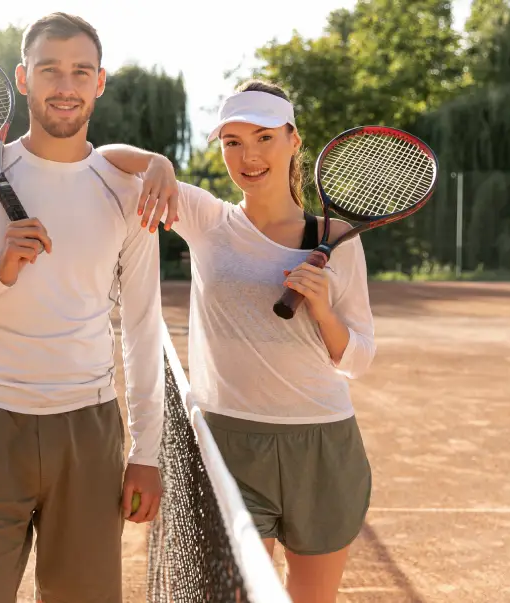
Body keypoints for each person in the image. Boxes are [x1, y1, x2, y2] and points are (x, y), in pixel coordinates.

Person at [0, 12, 165, 603]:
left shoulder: (128, 191)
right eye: (50, 70)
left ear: (100, 82)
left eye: (80, 71)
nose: (65, 86)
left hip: (89, 430)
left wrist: (147, 452)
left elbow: (144, 327)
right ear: (24, 79)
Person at [99, 79, 376, 603]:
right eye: (232, 142)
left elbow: (358, 357)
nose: (248, 155)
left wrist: (321, 309)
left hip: (323, 446)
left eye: (264, 137)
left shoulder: (338, 238)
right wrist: (157, 161)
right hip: (228, 445)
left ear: (294, 141)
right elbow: (104, 161)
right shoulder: (207, 220)